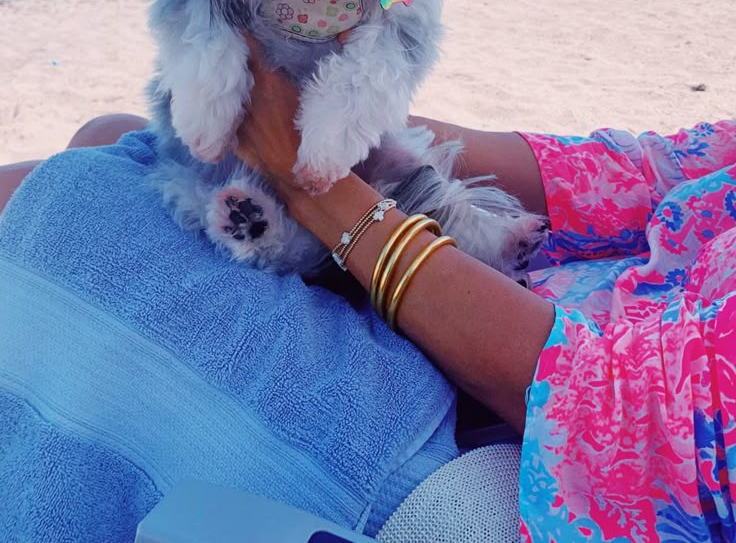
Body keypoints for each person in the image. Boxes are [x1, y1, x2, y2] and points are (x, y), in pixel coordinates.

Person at [3, 76, 736, 540]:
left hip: (517, 431)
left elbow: (640, 423)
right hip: (481, 296)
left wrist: (314, 179)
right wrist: (328, 112)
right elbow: (640, 170)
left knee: (79, 204)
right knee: (108, 140)